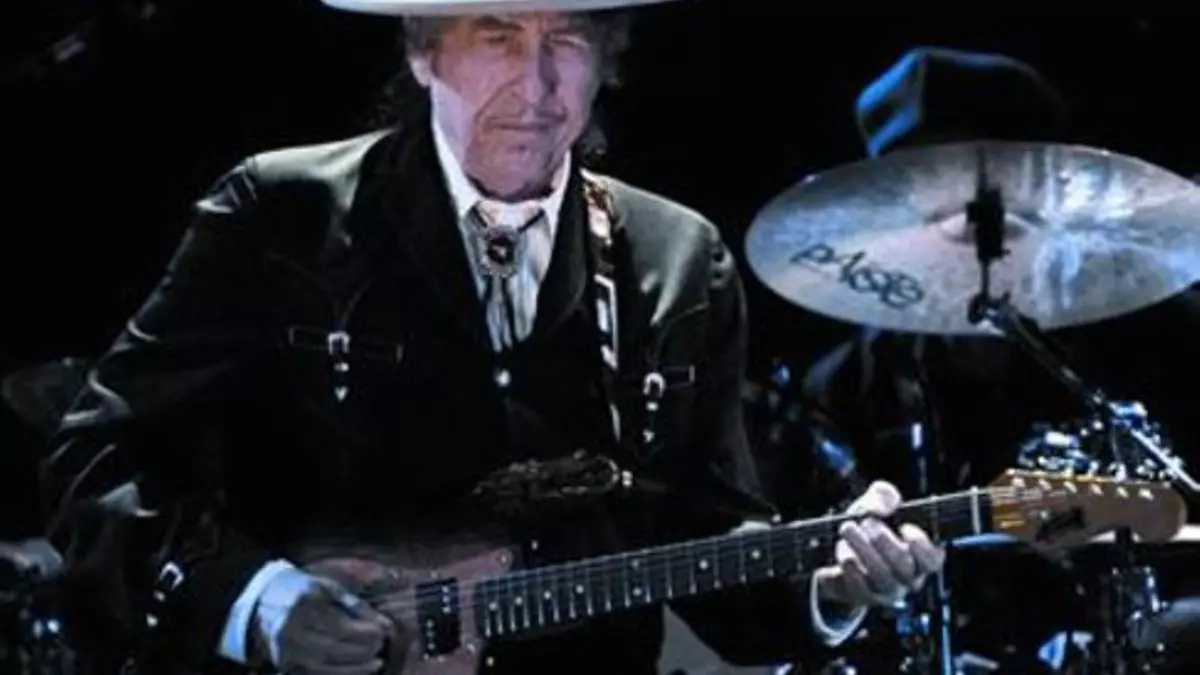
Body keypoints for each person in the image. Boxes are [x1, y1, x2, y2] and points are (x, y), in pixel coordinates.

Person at [38, 2, 945, 674]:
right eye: (497, 35)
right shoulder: (280, 215)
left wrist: (831, 585)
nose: (537, 85)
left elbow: (710, 539)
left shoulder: (677, 258)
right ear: (423, 50)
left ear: (606, 61)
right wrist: (259, 602)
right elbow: (96, 462)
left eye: (568, 41)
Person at [783, 46, 1200, 673]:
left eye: (986, 200)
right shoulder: (849, 385)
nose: (964, 226)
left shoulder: (1162, 331)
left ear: (1049, 192)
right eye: (929, 199)